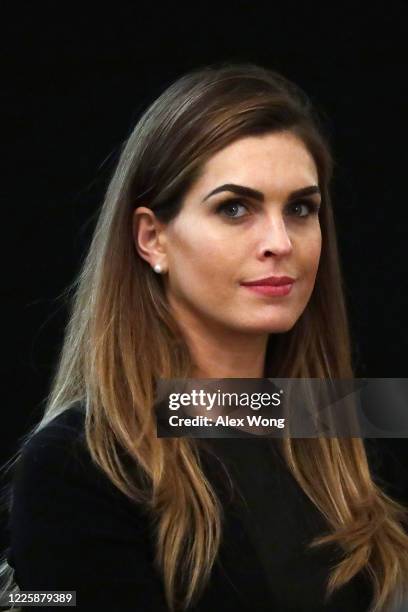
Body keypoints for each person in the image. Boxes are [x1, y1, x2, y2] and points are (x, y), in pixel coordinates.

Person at [1, 62, 408, 612]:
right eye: (235, 208)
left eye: (301, 208)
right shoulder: (80, 465)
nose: (279, 240)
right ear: (153, 239)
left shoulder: (352, 418)